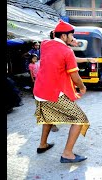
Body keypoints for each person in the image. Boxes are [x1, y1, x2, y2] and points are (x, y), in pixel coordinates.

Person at [33, 20, 90, 163]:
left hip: (39, 91)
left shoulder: (45, 44)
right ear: (64, 36)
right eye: (71, 35)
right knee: (80, 119)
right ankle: (67, 153)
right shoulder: (67, 51)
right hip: (53, 93)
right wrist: (82, 88)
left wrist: (71, 44)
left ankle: (42, 145)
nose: (73, 38)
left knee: (49, 117)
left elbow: (64, 56)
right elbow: (75, 76)